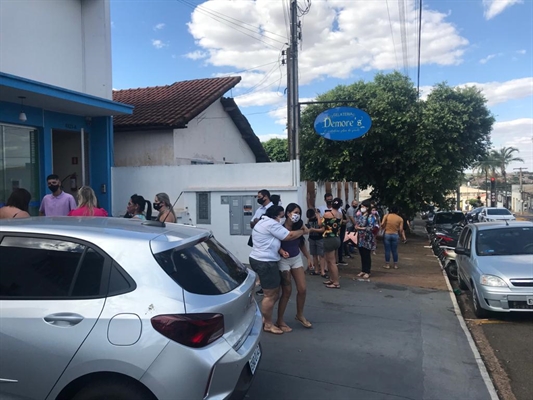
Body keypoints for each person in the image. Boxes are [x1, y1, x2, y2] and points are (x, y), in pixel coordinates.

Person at [249, 205, 308, 335]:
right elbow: (289, 236)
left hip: (266, 260)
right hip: (266, 261)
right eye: (282, 216)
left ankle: (267, 319)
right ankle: (269, 324)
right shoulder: (272, 224)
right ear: (278, 216)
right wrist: (304, 231)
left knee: (274, 293)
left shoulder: (264, 222)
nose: (282, 219)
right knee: (271, 294)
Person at [277, 203, 313, 332]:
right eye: (294, 212)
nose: (296, 215)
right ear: (287, 213)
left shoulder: (299, 226)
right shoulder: (279, 227)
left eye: (298, 213)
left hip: (296, 259)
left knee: (302, 289)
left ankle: (300, 314)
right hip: (283, 261)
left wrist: (308, 257)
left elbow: (301, 243)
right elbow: (275, 243)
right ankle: (280, 320)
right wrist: (281, 251)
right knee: (287, 292)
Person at [322, 197, 343, 289]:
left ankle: (336, 282)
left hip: (329, 238)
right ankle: (332, 279)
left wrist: (318, 215)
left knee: (331, 262)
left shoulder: (327, 214)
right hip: (336, 237)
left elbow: (321, 224)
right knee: (330, 260)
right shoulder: (340, 214)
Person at [355, 201, 378, 279]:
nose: (362, 208)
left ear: (367, 207)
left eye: (363, 207)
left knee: (366, 254)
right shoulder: (361, 215)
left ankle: (367, 271)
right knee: (362, 254)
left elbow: (372, 227)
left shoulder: (371, 216)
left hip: (367, 238)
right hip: (361, 237)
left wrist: (361, 228)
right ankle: (363, 270)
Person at [305, 208, 326, 277]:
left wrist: (313, 229)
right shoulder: (309, 219)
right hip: (312, 238)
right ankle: (316, 270)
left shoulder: (319, 218)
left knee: (321, 255)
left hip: (319, 238)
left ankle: (322, 271)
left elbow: (322, 229)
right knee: (314, 254)